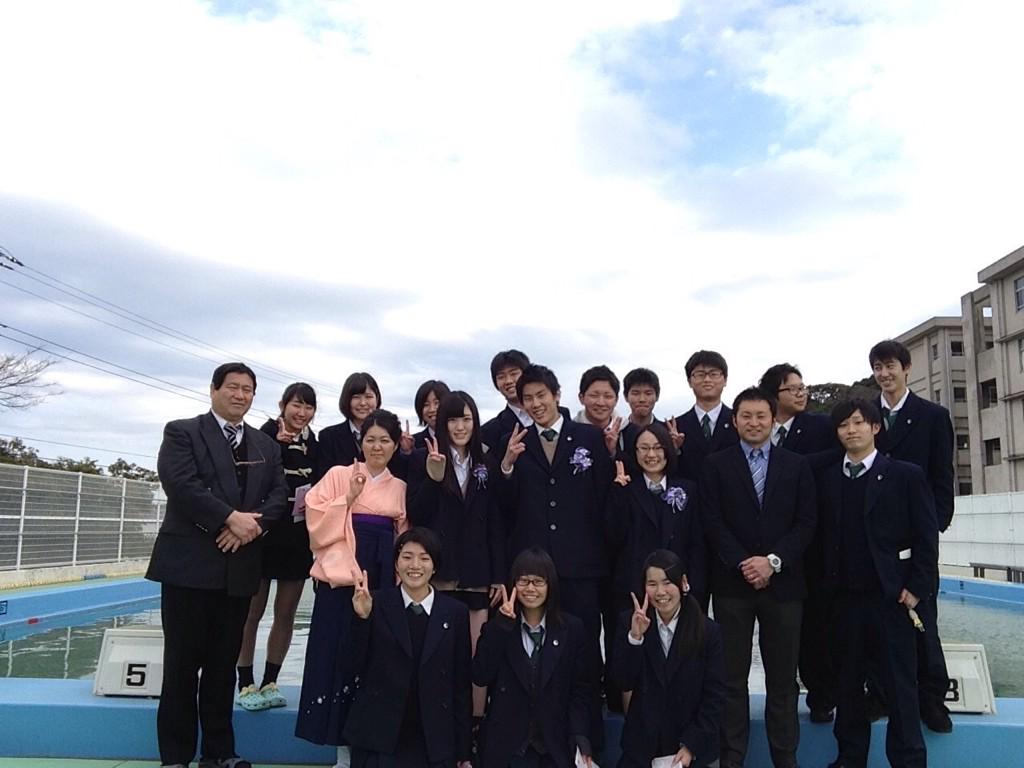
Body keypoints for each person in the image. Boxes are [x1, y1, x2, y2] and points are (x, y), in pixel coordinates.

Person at [146, 362, 288, 768]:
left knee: (223, 666)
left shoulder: (265, 445)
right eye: (233, 387)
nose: (240, 395)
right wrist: (229, 518)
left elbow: (279, 495)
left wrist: (248, 529)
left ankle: (220, 752)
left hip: (239, 569)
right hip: (189, 567)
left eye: (248, 390)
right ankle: (175, 756)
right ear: (213, 390)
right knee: (181, 666)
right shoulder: (183, 432)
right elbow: (181, 484)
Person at [700, 387, 816, 768]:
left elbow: (806, 522)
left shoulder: (797, 465)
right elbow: (712, 521)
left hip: (785, 587)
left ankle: (785, 758)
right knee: (731, 679)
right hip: (732, 586)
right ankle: (731, 758)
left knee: (782, 680)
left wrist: (773, 562)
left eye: (761, 416)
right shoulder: (716, 465)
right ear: (734, 421)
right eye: (746, 416)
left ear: (773, 419)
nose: (754, 423)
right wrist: (744, 563)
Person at [820, 399, 937, 768]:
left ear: (875, 427)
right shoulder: (827, 478)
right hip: (843, 601)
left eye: (858, 422)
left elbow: (926, 536)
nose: (851, 430)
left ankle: (908, 759)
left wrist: (916, 588)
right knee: (848, 685)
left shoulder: (905, 475)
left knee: (900, 686)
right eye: (843, 425)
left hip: (892, 599)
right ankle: (849, 758)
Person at [295, 409, 408, 768]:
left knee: (373, 662)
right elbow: (314, 520)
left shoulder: (400, 487)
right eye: (370, 439)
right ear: (360, 441)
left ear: (395, 446)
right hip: (339, 581)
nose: (377, 446)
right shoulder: (338, 475)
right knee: (335, 659)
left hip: (380, 581)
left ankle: (368, 748)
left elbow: (403, 537)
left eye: (385, 440)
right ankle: (340, 753)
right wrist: (347, 499)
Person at [870, 339, 955, 733]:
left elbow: (942, 477)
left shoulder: (932, 416)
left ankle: (932, 699)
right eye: (877, 367)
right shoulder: (865, 415)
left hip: (914, 537)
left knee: (922, 620)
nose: (884, 374)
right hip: (873, 539)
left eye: (890, 366)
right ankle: (880, 694)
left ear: (906, 368)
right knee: (875, 623)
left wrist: (931, 527)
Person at [406, 390, 506, 721]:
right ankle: (435, 722)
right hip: (440, 572)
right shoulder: (422, 458)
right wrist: (433, 478)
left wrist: (498, 575)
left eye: (466, 418)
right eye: (453, 419)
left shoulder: (486, 462)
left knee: (477, 652)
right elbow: (416, 516)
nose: (460, 426)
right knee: (438, 653)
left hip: (477, 573)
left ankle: (475, 722)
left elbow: (496, 523)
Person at [345, 527, 473, 768]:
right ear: (396, 564)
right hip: (380, 737)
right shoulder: (374, 602)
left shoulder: (455, 613)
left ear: (435, 566)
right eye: (407, 557)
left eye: (424, 558)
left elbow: (460, 685)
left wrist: (463, 751)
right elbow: (353, 665)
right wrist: (362, 619)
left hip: (434, 740)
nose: (415, 565)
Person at [759, 363, 842, 724]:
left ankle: (822, 696)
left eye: (802, 387)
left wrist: (791, 463)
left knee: (816, 626)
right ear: (772, 395)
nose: (801, 393)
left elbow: (840, 452)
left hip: (813, 541)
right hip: (766, 545)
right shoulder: (758, 427)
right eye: (791, 388)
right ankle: (783, 698)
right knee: (778, 631)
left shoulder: (821, 426)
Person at [236, 382, 319, 712]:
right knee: (251, 612)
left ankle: (271, 680)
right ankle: (245, 681)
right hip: (262, 533)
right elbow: (247, 476)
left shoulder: (315, 443)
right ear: (283, 404)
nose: (302, 412)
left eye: (308, 407)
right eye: (296, 405)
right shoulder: (262, 435)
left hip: (297, 537)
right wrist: (277, 446)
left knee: (286, 613)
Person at [472, 547, 594, 768]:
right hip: (508, 749)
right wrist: (501, 627)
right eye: (523, 581)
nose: (530, 589)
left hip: (554, 747)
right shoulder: (496, 627)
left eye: (538, 582)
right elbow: (481, 675)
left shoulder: (572, 629)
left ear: (550, 585)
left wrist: (580, 737)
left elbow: (580, 690)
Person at [611, 549, 724, 768]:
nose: (660, 592)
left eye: (667, 582)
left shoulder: (707, 631)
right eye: (652, 584)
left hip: (691, 749)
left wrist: (691, 746)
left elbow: (715, 697)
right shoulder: (630, 622)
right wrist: (635, 638)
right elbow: (623, 681)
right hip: (642, 749)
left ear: (683, 583)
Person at [608, 423, 706, 612]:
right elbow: (614, 536)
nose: (651, 454)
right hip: (635, 589)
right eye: (644, 448)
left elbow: (697, 544)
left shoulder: (688, 489)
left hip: (677, 586)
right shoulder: (625, 489)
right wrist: (618, 493)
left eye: (658, 447)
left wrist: (694, 586)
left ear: (668, 450)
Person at [677, 351, 739, 483]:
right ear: (689, 381)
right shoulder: (676, 426)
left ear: (725, 380)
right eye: (700, 374)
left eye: (713, 374)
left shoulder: (739, 422)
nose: (707, 380)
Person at [313, 372, 383, 483]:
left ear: (377, 399)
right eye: (356, 397)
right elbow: (323, 481)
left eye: (368, 397)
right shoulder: (329, 437)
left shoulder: (389, 437)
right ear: (346, 399)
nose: (363, 403)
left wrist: (405, 451)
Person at [480, 349, 532, 451]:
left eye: (513, 374)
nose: (508, 381)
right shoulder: (488, 432)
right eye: (501, 377)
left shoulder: (557, 416)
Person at [575, 365, 623, 451]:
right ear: (581, 398)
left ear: (616, 400)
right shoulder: (569, 432)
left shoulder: (628, 432)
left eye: (608, 396)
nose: (601, 403)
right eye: (594, 395)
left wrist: (613, 452)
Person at [411, 379, 451, 449]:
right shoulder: (414, 443)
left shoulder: (461, 437)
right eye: (426, 405)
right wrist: (406, 451)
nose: (432, 409)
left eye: (437, 403)